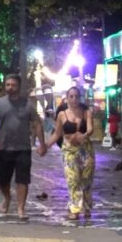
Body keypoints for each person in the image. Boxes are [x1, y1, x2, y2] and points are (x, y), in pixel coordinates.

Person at [0, 74, 46, 220]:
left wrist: (42, 144)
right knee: (2, 180)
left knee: (23, 180)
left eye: (13, 85)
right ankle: (7, 197)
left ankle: (21, 208)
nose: (10, 87)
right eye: (8, 85)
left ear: (19, 87)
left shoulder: (27, 104)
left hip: (23, 148)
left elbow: (37, 124)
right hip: (3, 148)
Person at [47, 86, 96, 220]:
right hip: (69, 149)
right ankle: (74, 208)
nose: (74, 99)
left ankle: (86, 206)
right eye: (71, 96)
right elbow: (57, 133)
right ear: (67, 98)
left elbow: (91, 129)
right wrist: (46, 146)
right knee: (73, 179)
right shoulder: (62, 115)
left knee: (86, 180)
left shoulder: (86, 112)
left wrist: (84, 135)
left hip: (85, 150)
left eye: (76, 96)